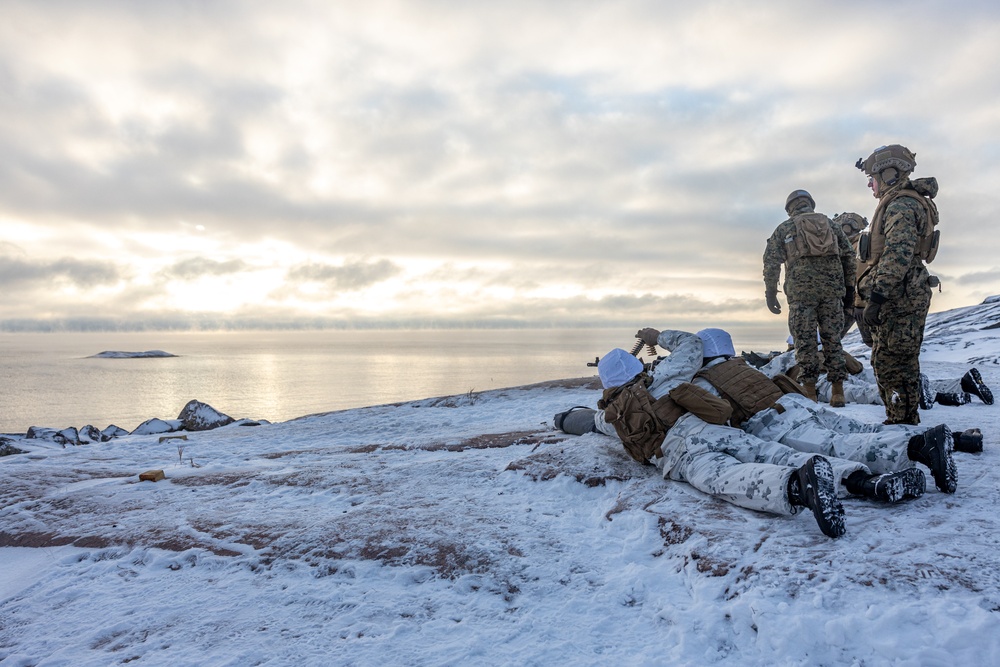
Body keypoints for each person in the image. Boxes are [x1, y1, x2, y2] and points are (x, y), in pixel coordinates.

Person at [620, 327, 957, 494]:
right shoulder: (745, 367)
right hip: (796, 404)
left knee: (837, 447)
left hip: (775, 424)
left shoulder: (705, 380)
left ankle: (916, 450)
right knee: (859, 431)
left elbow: (717, 411)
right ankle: (937, 441)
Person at [759, 347, 989, 453]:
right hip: (845, 377)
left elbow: (766, 376)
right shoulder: (832, 349)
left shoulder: (790, 355)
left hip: (823, 386)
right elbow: (857, 367)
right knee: (886, 388)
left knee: (865, 411)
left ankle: (942, 403)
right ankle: (954, 389)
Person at [855, 144, 940, 425]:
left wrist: (877, 297)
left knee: (893, 364)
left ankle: (903, 424)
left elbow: (898, 253)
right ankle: (902, 419)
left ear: (889, 174)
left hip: (899, 296)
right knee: (892, 362)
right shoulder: (901, 201)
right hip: (900, 293)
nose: (871, 185)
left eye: (873, 179)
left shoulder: (902, 204)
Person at [764, 190, 856, 406]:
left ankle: (810, 393)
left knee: (805, 342)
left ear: (790, 209)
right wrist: (849, 288)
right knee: (833, 340)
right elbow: (849, 256)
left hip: (801, 294)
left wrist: (770, 292)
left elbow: (771, 262)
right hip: (832, 292)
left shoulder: (785, 228)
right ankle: (837, 392)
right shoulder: (831, 225)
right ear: (810, 204)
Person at [832, 212, 871, 343]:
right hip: (851, 301)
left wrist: (859, 304)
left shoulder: (861, 243)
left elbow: (860, 275)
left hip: (857, 302)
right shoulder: (845, 246)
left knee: (872, 340)